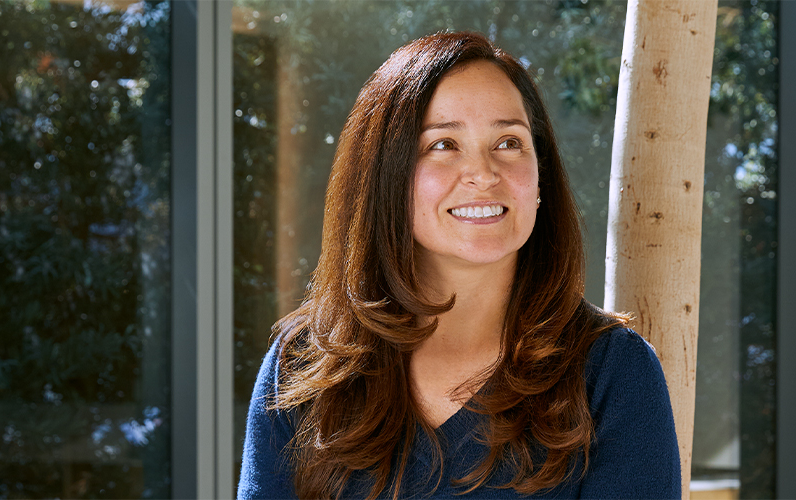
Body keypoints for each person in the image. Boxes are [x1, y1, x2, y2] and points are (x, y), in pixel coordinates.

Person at [237, 31, 681, 499]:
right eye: (443, 145)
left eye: (509, 142)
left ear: (539, 177)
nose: (484, 173)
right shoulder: (305, 365)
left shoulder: (614, 372)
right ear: (387, 176)